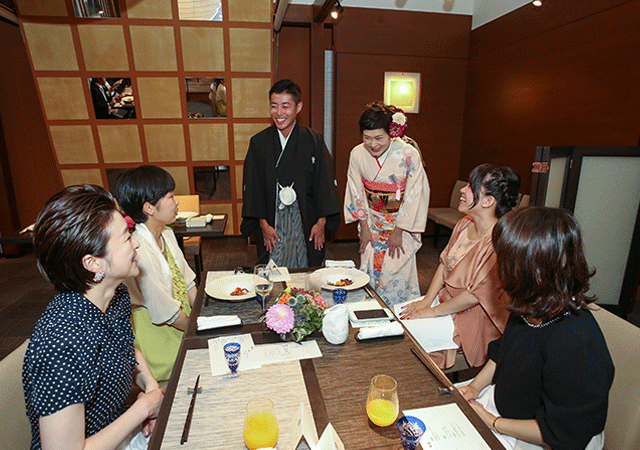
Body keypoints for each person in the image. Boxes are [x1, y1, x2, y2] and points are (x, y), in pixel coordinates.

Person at [459, 207, 614, 450]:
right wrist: (474, 387)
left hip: (544, 438)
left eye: (503, 260)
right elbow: (503, 351)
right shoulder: (532, 304)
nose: (496, 267)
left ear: (531, 271)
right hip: (507, 412)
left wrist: (492, 421)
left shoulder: (576, 341)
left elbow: (563, 432)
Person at [23, 185, 163, 450]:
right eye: (126, 237)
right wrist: (143, 408)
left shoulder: (115, 296)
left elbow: (125, 350)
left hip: (115, 429)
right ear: (93, 263)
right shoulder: (61, 341)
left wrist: (151, 388)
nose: (136, 243)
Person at [400, 164, 520, 369]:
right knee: (400, 322)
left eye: (471, 187)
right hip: (447, 303)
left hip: (476, 316)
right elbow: (444, 263)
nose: (463, 191)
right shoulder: (464, 223)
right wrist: (427, 301)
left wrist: (434, 311)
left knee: (413, 346)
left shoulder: (501, 241)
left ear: (488, 201)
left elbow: (476, 295)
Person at [241, 79, 342, 268]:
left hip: (306, 220)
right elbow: (253, 187)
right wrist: (263, 225)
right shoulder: (259, 143)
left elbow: (325, 183)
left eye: (285, 106)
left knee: (307, 270)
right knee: (272, 270)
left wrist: (321, 222)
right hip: (272, 221)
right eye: (274, 106)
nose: (279, 113)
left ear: (298, 107)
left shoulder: (314, 141)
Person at [113, 165, 197, 382]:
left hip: (183, 322)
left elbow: (188, 282)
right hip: (161, 339)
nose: (177, 202)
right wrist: (200, 330)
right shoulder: (139, 250)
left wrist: (203, 317)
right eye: (170, 196)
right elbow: (165, 313)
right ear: (149, 208)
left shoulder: (167, 234)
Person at [344, 101, 430, 306]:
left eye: (379, 138)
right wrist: (364, 227)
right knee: (369, 268)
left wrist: (399, 231)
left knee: (397, 271)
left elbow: (415, 194)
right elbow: (356, 191)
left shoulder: (409, 154)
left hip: (401, 224)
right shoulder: (357, 154)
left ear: (391, 133)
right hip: (372, 221)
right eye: (367, 137)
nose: (373, 144)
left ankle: (399, 318)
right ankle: (370, 312)